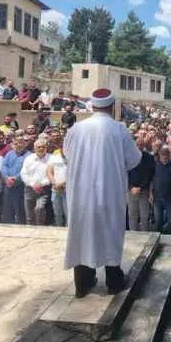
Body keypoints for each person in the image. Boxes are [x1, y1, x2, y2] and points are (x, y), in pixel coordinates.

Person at [63, 88, 141, 298]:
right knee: (110, 232)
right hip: (109, 191)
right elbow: (134, 160)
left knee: (82, 233)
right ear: (112, 105)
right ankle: (114, 281)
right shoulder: (119, 130)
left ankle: (83, 283)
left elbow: (67, 154)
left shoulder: (76, 129)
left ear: (93, 106)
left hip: (81, 192)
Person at [20, 139, 52, 225]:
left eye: (43, 147)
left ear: (46, 148)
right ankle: (30, 232)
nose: (41, 148)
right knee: (29, 216)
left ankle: (40, 229)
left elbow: (52, 174)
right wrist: (33, 184)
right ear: (34, 148)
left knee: (39, 209)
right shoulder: (29, 158)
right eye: (39, 147)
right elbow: (23, 173)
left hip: (44, 190)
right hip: (29, 189)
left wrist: (41, 184)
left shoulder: (51, 158)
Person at [127, 138, 155, 231]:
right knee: (132, 214)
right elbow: (125, 173)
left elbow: (150, 175)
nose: (139, 147)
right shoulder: (128, 157)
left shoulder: (149, 158)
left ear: (144, 146)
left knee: (144, 215)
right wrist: (131, 187)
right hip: (131, 190)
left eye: (141, 145)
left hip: (144, 190)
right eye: (137, 145)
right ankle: (133, 235)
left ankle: (145, 235)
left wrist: (140, 187)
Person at [1, 137, 29, 224]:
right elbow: (4, 166)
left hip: (20, 186)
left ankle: (21, 227)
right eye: (16, 143)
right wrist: (6, 177)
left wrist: (15, 179)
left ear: (25, 144)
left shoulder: (29, 155)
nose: (18, 145)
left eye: (20, 143)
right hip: (8, 185)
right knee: (7, 209)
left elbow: (26, 170)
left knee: (20, 210)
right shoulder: (9, 153)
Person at [152, 147, 171, 234]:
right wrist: (150, 194)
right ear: (159, 156)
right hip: (157, 197)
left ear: (169, 155)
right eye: (162, 157)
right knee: (158, 222)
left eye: (166, 158)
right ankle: (158, 237)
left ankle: (167, 236)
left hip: (170, 197)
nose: (164, 159)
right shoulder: (155, 164)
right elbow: (152, 180)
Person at [47, 146, 68, 227]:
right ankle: (58, 229)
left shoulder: (73, 157)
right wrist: (54, 183)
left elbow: (75, 174)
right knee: (57, 213)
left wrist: (62, 184)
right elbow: (49, 172)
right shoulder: (54, 156)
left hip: (67, 190)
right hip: (55, 189)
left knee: (68, 213)